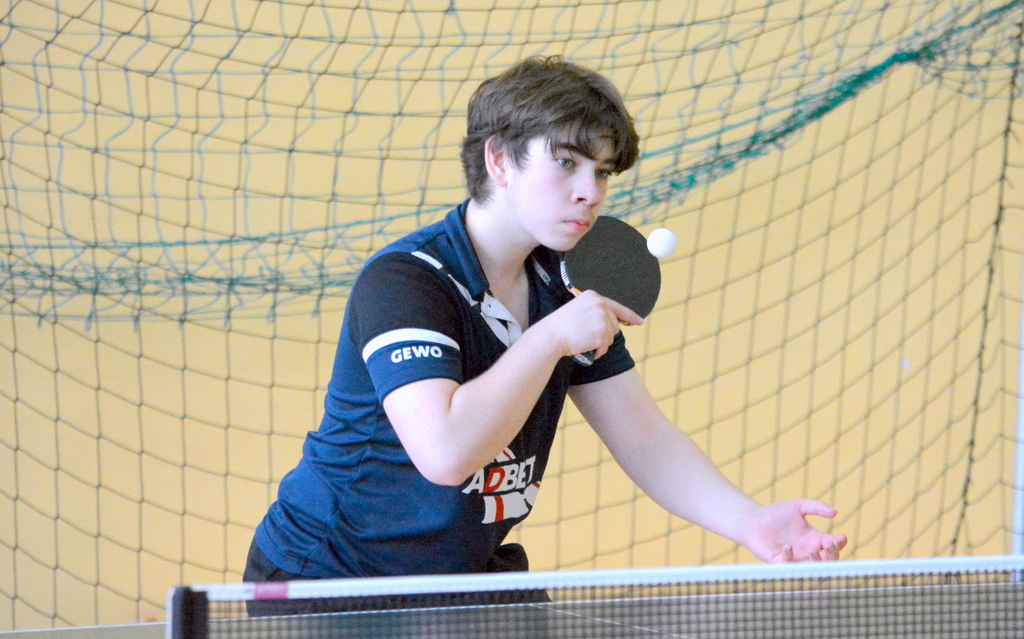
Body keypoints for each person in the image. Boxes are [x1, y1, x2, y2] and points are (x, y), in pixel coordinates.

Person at [244, 55, 847, 587]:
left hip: (459, 573)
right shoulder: (406, 282)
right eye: (566, 162)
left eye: (602, 171)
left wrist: (748, 520)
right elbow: (445, 453)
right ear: (499, 160)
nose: (591, 191)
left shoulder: (566, 282)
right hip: (330, 575)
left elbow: (643, 438)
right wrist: (552, 338)